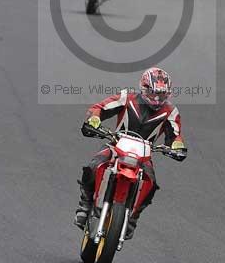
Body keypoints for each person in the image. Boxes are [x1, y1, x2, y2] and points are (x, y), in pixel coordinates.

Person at [74, 67, 187, 239]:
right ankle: (85, 204)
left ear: (168, 94)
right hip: (116, 146)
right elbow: (100, 108)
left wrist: (177, 146)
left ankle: (133, 217)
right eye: (153, 93)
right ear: (144, 88)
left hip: (144, 156)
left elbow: (175, 135)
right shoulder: (127, 97)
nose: (157, 99)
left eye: (162, 95)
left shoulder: (171, 112)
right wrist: (94, 119)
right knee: (94, 165)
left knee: (151, 183)